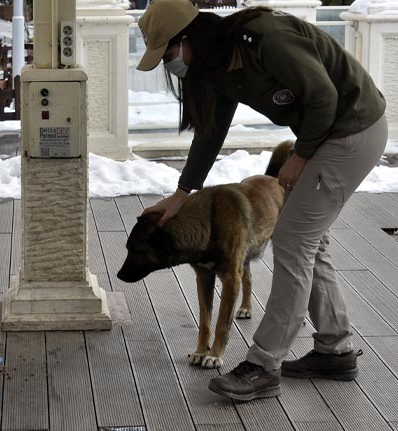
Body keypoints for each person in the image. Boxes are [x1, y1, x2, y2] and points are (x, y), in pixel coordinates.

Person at [135, 0, 386, 401]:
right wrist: (182, 195)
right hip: (325, 135)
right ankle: (335, 350)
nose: (171, 66)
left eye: (168, 55)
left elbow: (323, 96)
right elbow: (210, 132)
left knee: (291, 241)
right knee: (309, 239)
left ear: (186, 40)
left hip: (352, 129)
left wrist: (300, 156)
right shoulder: (219, 66)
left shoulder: (264, 39)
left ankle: (264, 365)